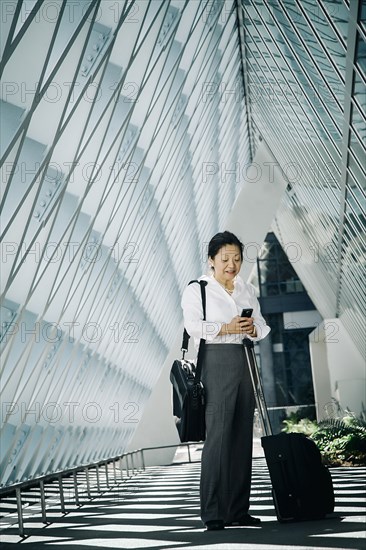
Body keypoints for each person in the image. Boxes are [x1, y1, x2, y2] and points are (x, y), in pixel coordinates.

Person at [181, 230, 271, 531]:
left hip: (245, 358)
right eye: (225, 259)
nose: (231, 264)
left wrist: (252, 328)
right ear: (211, 260)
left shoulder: (246, 288)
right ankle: (213, 511)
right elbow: (194, 327)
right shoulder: (198, 289)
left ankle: (237, 509)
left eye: (237, 259)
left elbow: (262, 325)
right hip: (216, 362)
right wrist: (226, 326)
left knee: (243, 436)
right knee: (217, 436)